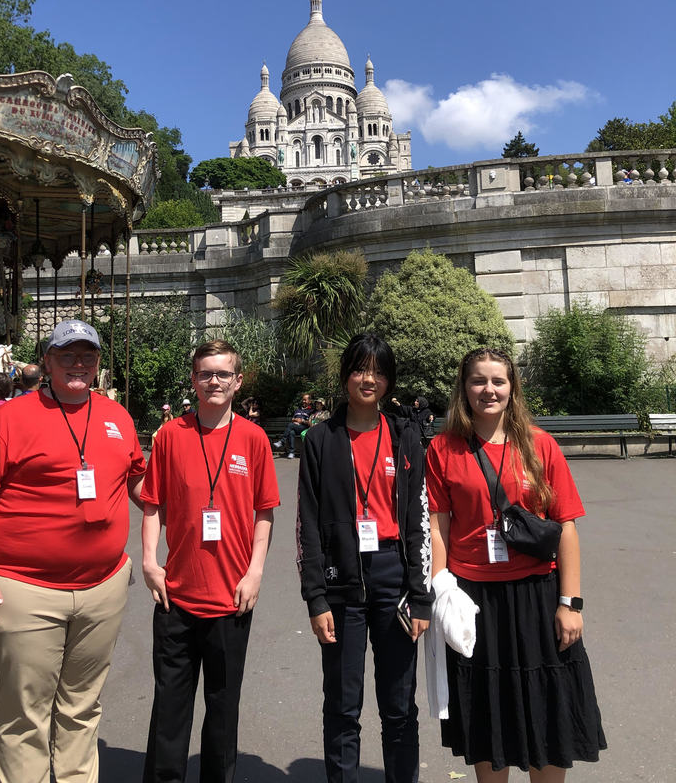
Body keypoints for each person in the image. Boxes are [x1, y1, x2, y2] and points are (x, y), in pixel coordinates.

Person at [0, 319, 147, 783]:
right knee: (25, 712)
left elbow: (139, 482)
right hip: (25, 588)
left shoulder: (115, 416)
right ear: (47, 361)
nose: (78, 363)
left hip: (103, 588)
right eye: (67, 355)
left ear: (99, 363)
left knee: (82, 706)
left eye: (87, 355)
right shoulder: (10, 419)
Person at [425, 347, 606, 782]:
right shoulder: (443, 448)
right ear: (463, 388)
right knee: (489, 714)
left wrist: (571, 602)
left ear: (512, 388)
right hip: (474, 600)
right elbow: (437, 528)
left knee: (548, 710)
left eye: (498, 381)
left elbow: (565, 526)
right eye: (478, 381)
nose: (488, 390)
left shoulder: (540, 444)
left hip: (537, 595)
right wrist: (441, 593)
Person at [141, 339, 280, 783]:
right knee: (169, 710)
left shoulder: (254, 439)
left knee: (223, 709)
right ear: (194, 380)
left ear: (238, 382)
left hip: (232, 597)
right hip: (176, 596)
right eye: (205, 373)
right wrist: (148, 560)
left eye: (222, 373)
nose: (213, 380)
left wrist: (255, 572)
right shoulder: (170, 436)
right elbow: (152, 504)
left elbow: (264, 512)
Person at [296, 333, 433, 783]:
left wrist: (421, 595)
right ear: (345, 376)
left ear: (389, 380)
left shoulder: (405, 435)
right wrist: (315, 599)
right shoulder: (319, 440)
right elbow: (308, 525)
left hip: (394, 576)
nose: (368, 378)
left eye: (377, 371)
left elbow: (419, 517)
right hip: (342, 581)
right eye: (359, 368)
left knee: (399, 705)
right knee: (341, 703)